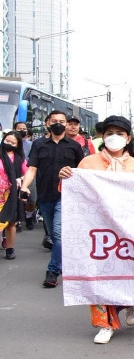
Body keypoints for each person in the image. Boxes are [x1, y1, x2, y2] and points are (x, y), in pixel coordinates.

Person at [60, 115, 134, 344]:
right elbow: (73, 192)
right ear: (102, 137)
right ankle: (104, 324)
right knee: (98, 275)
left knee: (125, 271)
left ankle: (129, 301)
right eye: (109, 133)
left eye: (119, 133)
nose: (114, 137)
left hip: (127, 230)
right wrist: (65, 176)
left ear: (127, 138)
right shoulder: (88, 163)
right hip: (96, 230)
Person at [20, 110, 84, 288]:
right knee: (53, 235)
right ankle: (64, 262)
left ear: (66, 124)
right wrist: (25, 186)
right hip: (45, 196)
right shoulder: (39, 145)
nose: (59, 124)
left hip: (66, 197)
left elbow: (82, 171)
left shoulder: (74, 146)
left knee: (57, 233)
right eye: (55, 120)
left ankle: (52, 271)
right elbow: (32, 169)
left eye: (62, 121)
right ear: (48, 123)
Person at [0, 131, 27, 260]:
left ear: (17, 145)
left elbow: (27, 173)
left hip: (10, 194)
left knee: (11, 223)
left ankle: (10, 248)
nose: (9, 144)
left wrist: (20, 179)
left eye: (12, 142)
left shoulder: (19, 158)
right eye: (7, 141)